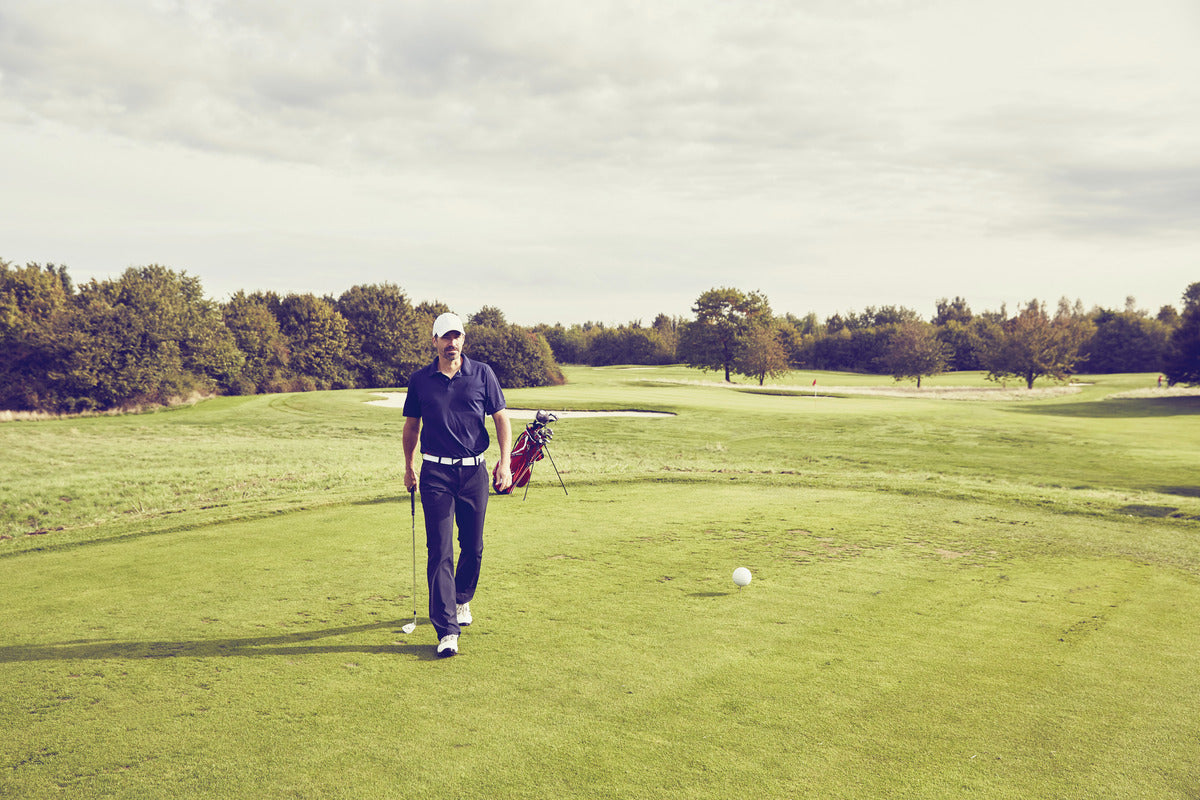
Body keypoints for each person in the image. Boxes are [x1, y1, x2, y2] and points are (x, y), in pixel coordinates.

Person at [403, 313, 512, 657]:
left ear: (464, 340)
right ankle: (447, 630)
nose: (452, 343)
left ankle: (462, 598)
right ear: (434, 341)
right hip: (435, 474)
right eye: (445, 338)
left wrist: (505, 462)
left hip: (473, 473)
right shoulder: (421, 380)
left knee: (474, 546)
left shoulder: (482, 374)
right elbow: (411, 428)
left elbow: (501, 418)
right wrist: (408, 467)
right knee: (440, 551)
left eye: (457, 337)